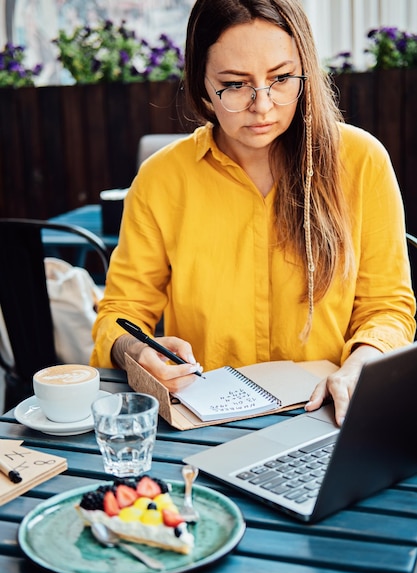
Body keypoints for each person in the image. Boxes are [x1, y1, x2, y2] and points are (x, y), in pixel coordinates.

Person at [91, 0, 416, 426]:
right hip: (206, 423)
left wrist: (362, 365)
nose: (262, 105)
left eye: (281, 79)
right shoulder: (160, 179)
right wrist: (137, 350)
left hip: (331, 415)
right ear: (202, 84)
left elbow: (387, 308)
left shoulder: (361, 161)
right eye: (235, 84)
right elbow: (121, 311)